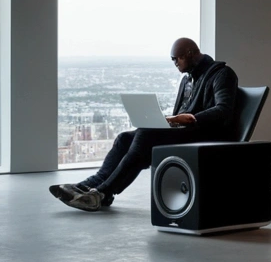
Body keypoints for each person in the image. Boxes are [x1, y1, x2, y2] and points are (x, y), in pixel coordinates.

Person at [49, 38, 238, 212]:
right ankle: (88, 186)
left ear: (189, 53)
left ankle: (101, 193)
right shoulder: (187, 80)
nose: (175, 64)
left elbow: (224, 110)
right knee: (124, 138)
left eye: (176, 59)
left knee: (146, 135)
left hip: (205, 134)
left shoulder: (222, 74)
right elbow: (181, 113)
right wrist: (171, 120)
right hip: (186, 132)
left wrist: (191, 118)